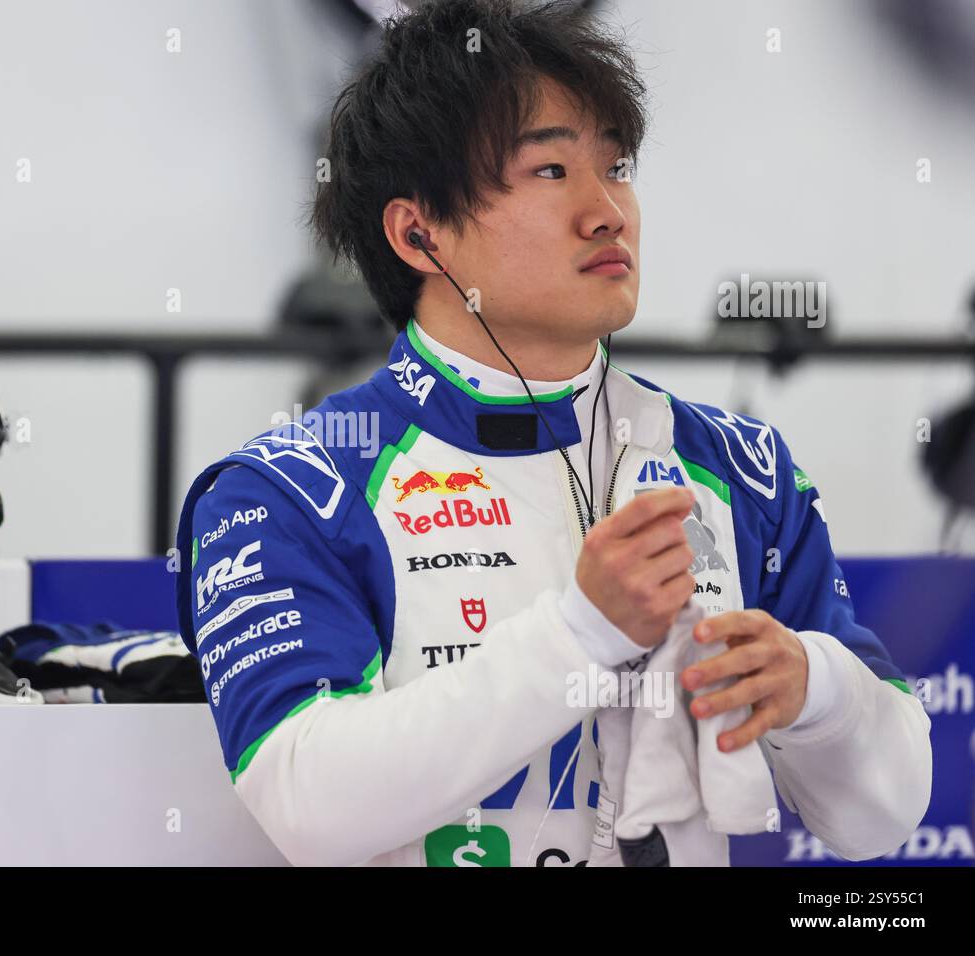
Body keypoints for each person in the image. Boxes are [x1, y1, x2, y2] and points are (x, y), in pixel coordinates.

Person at [173, 0, 931, 866]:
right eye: (550, 170)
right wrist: (580, 634)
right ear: (419, 232)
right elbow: (307, 802)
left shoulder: (738, 466)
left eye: (617, 167)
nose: (608, 211)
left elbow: (881, 821)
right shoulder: (287, 490)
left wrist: (819, 689)